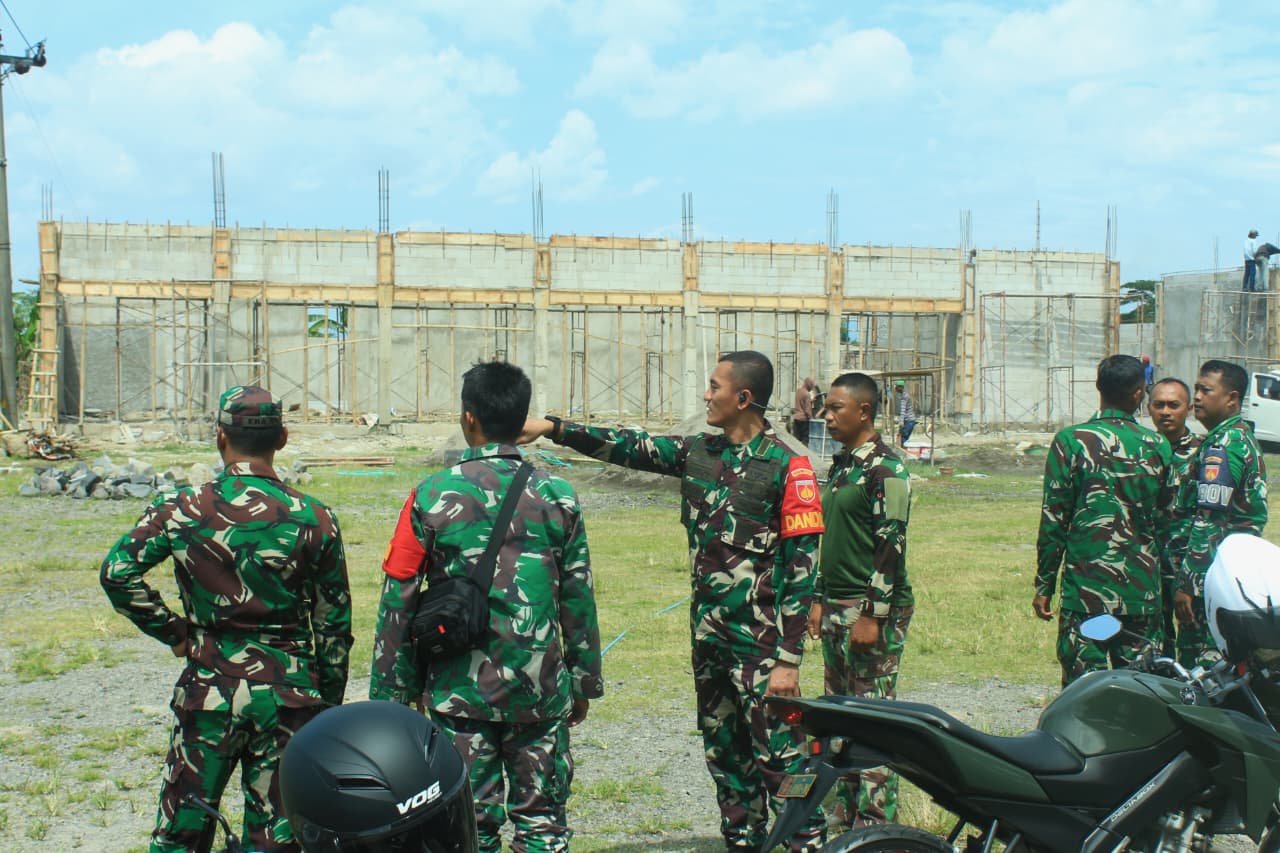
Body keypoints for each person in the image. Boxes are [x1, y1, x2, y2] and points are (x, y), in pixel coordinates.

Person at [521, 350, 827, 852]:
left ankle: (807, 841)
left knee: (784, 762)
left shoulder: (788, 469)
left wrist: (789, 661)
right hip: (710, 645)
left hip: (763, 654)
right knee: (725, 758)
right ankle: (743, 843)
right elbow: (628, 445)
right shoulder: (700, 454)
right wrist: (553, 427)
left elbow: (801, 571)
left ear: (743, 398)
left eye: (714, 387)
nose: (706, 395)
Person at [101, 386, 352, 853]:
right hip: (289, 696)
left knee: (182, 832)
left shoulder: (181, 508)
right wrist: (327, 709)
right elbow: (334, 627)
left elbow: (117, 573)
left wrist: (173, 630)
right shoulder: (316, 517)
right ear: (282, 437)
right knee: (282, 838)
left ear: (220, 438)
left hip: (209, 685)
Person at [370, 361, 603, 853]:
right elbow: (577, 596)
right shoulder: (559, 496)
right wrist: (583, 682)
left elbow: (400, 598)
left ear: (468, 418)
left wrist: (391, 695)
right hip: (538, 688)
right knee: (543, 824)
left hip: (458, 692)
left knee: (465, 824)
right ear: (521, 420)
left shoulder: (431, 495)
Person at [807, 372, 913, 829]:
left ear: (863, 411)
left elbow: (891, 547)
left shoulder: (886, 469)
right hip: (835, 604)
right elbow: (828, 537)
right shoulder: (843, 465)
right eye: (825, 408)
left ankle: (874, 825)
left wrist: (874, 614)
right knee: (839, 716)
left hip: (870, 609)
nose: (826, 416)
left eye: (835, 408)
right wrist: (817, 597)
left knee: (872, 719)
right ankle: (844, 811)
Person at [1033, 355, 1172, 686]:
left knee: (1084, 691)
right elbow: (1167, 522)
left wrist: (1044, 584)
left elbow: (1054, 518)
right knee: (1141, 691)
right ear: (1140, 394)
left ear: (1098, 387)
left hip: (1088, 597)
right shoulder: (1158, 445)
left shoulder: (1071, 441)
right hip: (1140, 597)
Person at [1172, 360, 1269, 667]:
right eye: (1196, 389)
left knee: (1201, 665)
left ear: (1232, 399)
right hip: (1228, 573)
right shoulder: (1235, 437)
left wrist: (1189, 585)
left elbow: (1210, 520)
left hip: (1212, 578)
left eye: (1205, 390)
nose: (1196, 397)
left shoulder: (1224, 445)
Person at [1147, 378, 1202, 660]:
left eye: (1174, 405)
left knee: (1194, 650)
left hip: (1188, 570)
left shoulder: (1204, 453)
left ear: (1189, 409)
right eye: (1159, 405)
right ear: (1148, 408)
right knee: (1155, 653)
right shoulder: (1141, 452)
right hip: (1149, 569)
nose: (1166, 411)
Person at [793, 377, 816, 446]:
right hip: (804, 420)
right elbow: (807, 410)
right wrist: (812, 419)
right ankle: (803, 454)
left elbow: (801, 402)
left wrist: (809, 401)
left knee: (796, 440)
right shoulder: (807, 394)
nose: (811, 389)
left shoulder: (798, 391)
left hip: (796, 418)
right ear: (808, 384)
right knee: (805, 440)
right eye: (811, 386)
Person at [893, 380, 915, 448]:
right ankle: (904, 451)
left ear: (901, 387)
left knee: (903, 439)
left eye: (896, 387)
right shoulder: (904, 394)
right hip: (910, 420)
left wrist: (901, 422)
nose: (895, 389)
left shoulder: (904, 397)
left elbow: (903, 410)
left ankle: (903, 453)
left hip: (909, 420)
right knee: (904, 438)